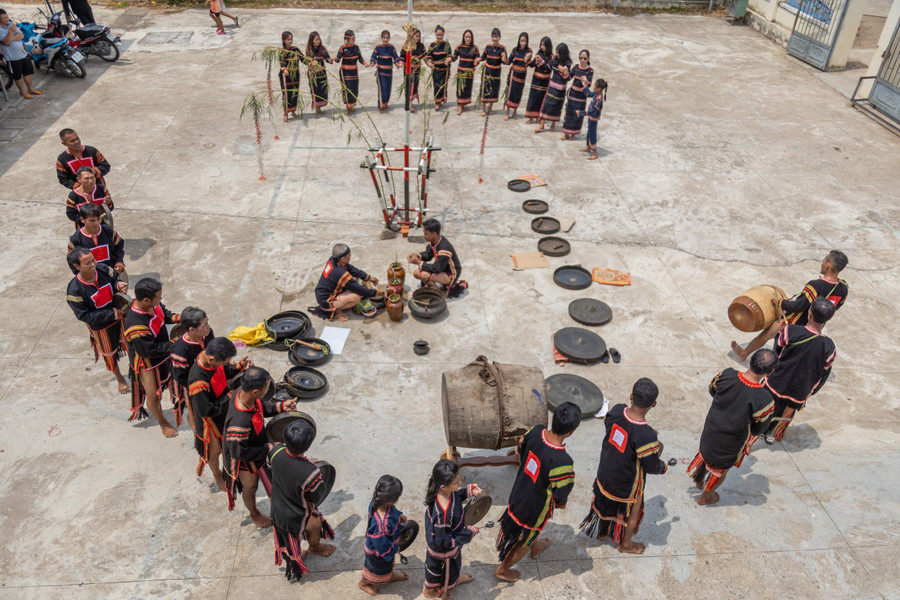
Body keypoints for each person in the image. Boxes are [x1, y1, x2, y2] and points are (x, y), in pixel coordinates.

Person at [494, 402, 581, 583]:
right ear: (571, 432)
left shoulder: (535, 432)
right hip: (535, 508)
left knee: (530, 533)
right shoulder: (562, 461)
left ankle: (535, 548)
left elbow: (520, 448)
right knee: (525, 540)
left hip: (519, 492)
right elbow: (561, 493)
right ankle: (502, 570)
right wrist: (560, 504)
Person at [579, 378, 667, 554]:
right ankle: (625, 544)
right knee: (633, 512)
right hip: (627, 486)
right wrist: (663, 467)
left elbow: (611, 424)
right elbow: (651, 466)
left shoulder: (617, 410)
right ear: (654, 404)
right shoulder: (646, 436)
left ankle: (603, 532)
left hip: (605, 474)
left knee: (605, 504)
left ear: (631, 396)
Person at [687, 349, 778, 505]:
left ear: (751, 360)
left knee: (705, 455)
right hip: (730, 443)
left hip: (711, 429)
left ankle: (699, 480)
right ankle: (706, 497)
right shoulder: (764, 400)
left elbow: (712, 390)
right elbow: (759, 429)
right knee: (720, 471)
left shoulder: (726, 375)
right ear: (769, 372)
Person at [731, 250, 848, 362]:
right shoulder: (843, 288)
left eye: (824, 260)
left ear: (827, 266)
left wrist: (780, 302)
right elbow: (835, 307)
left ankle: (744, 354)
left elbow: (798, 306)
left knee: (767, 335)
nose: (822, 263)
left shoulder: (815, 286)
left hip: (793, 320)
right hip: (815, 325)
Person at [223, 366, 296, 527]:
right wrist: (267, 449)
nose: (268, 390)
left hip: (254, 444)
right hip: (244, 458)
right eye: (266, 388)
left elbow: (261, 406)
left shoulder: (243, 394)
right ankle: (254, 513)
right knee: (251, 486)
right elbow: (239, 452)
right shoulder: (239, 422)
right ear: (255, 392)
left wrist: (281, 406)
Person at [760, 297, 837, 444]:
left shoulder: (790, 331)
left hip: (776, 381)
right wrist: (811, 392)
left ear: (810, 313)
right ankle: (772, 432)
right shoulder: (829, 346)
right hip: (799, 391)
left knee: (766, 405)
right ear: (827, 320)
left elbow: (776, 351)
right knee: (785, 411)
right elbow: (824, 374)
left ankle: (757, 427)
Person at [269, 419, 336, 582]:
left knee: (287, 541)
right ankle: (314, 547)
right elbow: (316, 497)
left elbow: (271, 467)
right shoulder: (311, 473)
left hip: (277, 508)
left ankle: (294, 561)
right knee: (314, 524)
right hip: (297, 513)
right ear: (308, 445)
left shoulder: (275, 450)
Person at [65, 247, 129, 394]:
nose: (93, 264)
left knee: (132, 343)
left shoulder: (103, 269)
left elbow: (115, 279)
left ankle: (135, 370)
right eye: (87, 263)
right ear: (77, 266)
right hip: (101, 327)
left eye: (93, 260)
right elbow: (84, 316)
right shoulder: (74, 291)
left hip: (121, 317)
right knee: (110, 353)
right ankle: (120, 378)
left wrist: (118, 285)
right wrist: (112, 314)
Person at [188, 336, 250, 490]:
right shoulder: (198, 381)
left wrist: (238, 367)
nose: (225, 364)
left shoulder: (210, 359)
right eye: (224, 361)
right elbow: (205, 410)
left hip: (224, 410)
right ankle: (217, 474)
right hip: (211, 422)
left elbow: (222, 371)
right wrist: (230, 396)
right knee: (214, 452)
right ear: (211, 359)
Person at [123, 278, 180, 437]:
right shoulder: (135, 325)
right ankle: (163, 423)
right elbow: (148, 351)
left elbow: (164, 314)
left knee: (172, 378)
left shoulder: (152, 305)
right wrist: (174, 344)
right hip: (147, 361)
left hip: (163, 351)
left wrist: (179, 318)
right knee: (153, 396)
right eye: (158, 297)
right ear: (146, 300)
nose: (160, 299)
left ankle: (173, 396)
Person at [422, 459, 482, 598]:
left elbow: (456, 495)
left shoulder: (444, 492)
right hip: (443, 551)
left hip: (446, 541)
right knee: (438, 571)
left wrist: (468, 491)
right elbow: (444, 542)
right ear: (443, 486)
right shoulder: (443, 516)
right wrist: (469, 533)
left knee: (452, 566)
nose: (459, 483)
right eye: (456, 482)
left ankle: (454, 579)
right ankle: (430, 591)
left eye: (459, 479)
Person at [359, 475, 408, 596]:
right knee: (376, 570)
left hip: (385, 543)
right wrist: (395, 549)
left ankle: (390, 576)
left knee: (388, 566)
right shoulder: (381, 527)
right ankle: (364, 583)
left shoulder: (378, 501)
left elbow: (392, 510)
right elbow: (383, 548)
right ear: (391, 499)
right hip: (378, 553)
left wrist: (398, 516)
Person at [170, 306, 214, 430]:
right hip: (194, 386)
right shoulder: (180, 351)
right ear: (192, 330)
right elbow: (182, 377)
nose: (208, 327)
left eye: (207, 322)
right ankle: (197, 434)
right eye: (204, 325)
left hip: (210, 378)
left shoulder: (208, 334)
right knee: (195, 413)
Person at [313, 244, 379, 322]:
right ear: (343, 258)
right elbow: (358, 289)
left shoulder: (333, 260)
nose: (350, 256)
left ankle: (341, 302)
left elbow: (352, 270)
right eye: (349, 255)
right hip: (326, 301)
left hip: (325, 292)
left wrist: (369, 278)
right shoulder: (339, 272)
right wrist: (375, 292)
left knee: (355, 279)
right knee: (356, 297)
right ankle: (335, 311)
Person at [407, 218, 466, 297]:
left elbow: (436, 269)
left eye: (426, 234)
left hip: (450, 273)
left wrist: (418, 262)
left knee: (424, 275)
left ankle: (439, 295)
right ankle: (433, 289)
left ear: (434, 234)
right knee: (416, 273)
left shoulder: (444, 249)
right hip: (442, 268)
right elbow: (428, 254)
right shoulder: (435, 241)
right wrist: (418, 256)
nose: (424, 236)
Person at [67, 204, 124, 274]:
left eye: (98, 219)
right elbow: (71, 260)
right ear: (82, 220)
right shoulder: (76, 239)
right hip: (90, 275)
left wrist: (119, 261)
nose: (96, 223)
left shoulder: (108, 231)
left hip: (110, 272)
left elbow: (119, 245)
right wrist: (83, 275)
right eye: (92, 220)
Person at [0, 9, 42, 99]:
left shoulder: (11, 24)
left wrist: (11, 37)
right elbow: (6, 42)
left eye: (7, 17)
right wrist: (10, 32)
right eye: (4, 18)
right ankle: (22, 92)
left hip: (23, 53)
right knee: (17, 76)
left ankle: (31, 88)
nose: (7, 19)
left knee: (27, 73)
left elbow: (21, 35)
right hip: (12, 57)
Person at [535, 43, 572, 133]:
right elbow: (547, 68)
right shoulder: (554, 59)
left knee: (556, 107)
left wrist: (564, 71)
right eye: (557, 52)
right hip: (552, 87)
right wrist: (541, 61)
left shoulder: (568, 63)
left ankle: (553, 124)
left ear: (563, 54)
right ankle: (542, 125)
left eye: (559, 53)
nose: (557, 54)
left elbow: (567, 78)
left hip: (561, 89)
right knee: (546, 105)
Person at [561, 50, 593, 141]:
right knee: (569, 113)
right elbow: (568, 78)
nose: (582, 60)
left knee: (577, 116)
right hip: (572, 94)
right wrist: (564, 72)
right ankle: (566, 133)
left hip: (581, 97)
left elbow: (589, 84)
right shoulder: (575, 67)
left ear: (588, 59)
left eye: (584, 58)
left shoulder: (590, 70)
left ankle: (573, 134)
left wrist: (585, 82)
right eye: (581, 58)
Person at [335, 30, 367, 116]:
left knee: (354, 89)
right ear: (347, 39)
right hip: (345, 73)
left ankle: (352, 106)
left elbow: (360, 59)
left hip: (354, 73)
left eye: (354, 38)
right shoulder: (343, 48)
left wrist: (365, 64)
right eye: (352, 39)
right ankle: (348, 108)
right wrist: (335, 59)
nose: (354, 40)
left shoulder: (356, 48)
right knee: (348, 90)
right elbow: (338, 60)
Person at [577, 77, 607, 160]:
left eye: (595, 85)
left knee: (592, 134)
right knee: (589, 133)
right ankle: (588, 147)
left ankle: (595, 153)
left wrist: (581, 113)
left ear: (599, 88)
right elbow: (588, 94)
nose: (593, 87)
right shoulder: (596, 94)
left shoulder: (599, 100)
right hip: (591, 118)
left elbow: (592, 112)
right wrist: (584, 85)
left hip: (593, 119)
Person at [524, 36, 552, 124]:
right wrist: (528, 60)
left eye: (544, 45)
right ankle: (531, 118)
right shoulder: (539, 53)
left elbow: (549, 68)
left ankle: (539, 118)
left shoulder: (551, 56)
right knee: (533, 99)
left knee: (541, 100)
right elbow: (532, 65)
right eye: (541, 45)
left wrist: (541, 62)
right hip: (536, 80)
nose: (542, 47)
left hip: (545, 82)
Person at [504, 32, 532, 121]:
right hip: (514, 75)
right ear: (519, 41)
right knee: (510, 93)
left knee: (518, 94)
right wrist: (504, 58)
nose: (523, 43)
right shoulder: (515, 50)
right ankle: (507, 112)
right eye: (521, 41)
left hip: (522, 76)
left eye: (525, 41)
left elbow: (529, 64)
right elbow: (509, 62)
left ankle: (515, 112)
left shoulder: (529, 51)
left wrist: (527, 59)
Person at [480, 28, 506, 117]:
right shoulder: (488, 47)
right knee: (485, 90)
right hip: (487, 71)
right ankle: (484, 109)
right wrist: (477, 60)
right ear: (491, 37)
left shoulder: (502, 48)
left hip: (496, 73)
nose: (495, 39)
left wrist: (504, 57)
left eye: (496, 37)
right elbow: (483, 57)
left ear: (499, 37)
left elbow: (505, 61)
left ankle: (490, 108)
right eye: (493, 37)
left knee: (493, 90)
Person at [370, 30, 399, 111]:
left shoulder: (391, 47)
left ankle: (385, 103)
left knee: (388, 88)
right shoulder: (378, 47)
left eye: (387, 38)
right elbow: (373, 57)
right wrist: (372, 62)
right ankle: (380, 104)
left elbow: (396, 57)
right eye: (384, 38)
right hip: (381, 71)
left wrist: (397, 63)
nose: (385, 39)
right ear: (381, 38)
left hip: (389, 71)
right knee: (382, 88)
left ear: (389, 38)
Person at [425, 25, 452, 110]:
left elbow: (450, 55)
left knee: (443, 86)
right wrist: (429, 63)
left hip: (445, 70)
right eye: (438, 35)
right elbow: (428, 56)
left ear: (443, 34)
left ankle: (442, 100)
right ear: (435, 34)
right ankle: (437, 102)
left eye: (441, 35)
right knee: (437, 86)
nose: (439, 37)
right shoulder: (432, 45)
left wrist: (448, 59)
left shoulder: (446, 44)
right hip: (436, 70)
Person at [306, 31, 332, 117]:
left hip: (322, 74)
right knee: (315, 91)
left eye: (319, 39)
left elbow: (327, 57)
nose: (318, 41)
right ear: (311, 40)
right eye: (316, 40)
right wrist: (313, 64)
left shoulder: (322, 49)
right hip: (314, 75)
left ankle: (320, 108)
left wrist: (330, 60)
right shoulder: (309, 50)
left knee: (322, 90)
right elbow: (307, 61)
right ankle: (317, 110)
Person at [453, 30, 479, 115]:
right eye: (466, 37)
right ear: (463, 38)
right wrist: (449, 59)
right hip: (461, 72)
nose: (468, 39)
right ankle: (460, 107)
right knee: (460, 89)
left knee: (467, 89)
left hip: (469, 73)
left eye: (469, 37)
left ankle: (463, 104)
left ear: (472, 38)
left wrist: (476, 61)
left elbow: (478, 57)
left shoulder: (475, 48)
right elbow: (454, 57)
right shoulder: (459, 47)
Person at [399, 28, 425, 112]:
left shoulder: (421, 46)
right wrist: (401, 62)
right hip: (408, 70)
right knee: (408, 86)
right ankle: (410, 104)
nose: (418, 38)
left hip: (417, 70)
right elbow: (402, 55)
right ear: (412, 36)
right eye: (416, 36)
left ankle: (411, 101)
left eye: (419, 36)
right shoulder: (407, 45)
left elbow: (425, 55)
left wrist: (429, 62)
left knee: (415, 86)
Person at [279, 31, 302, 122]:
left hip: (295, 75)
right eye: (288, 39)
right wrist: (284, 69)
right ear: (284, 40)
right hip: (286, 76)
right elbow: (282, 63)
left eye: (291, 39)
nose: (290, 41)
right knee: (286, 95)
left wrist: (310, 63)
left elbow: (303, 58)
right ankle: (286, 113)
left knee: (294, 93)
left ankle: (293, 111)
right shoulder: (283, 52)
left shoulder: (296, 49)